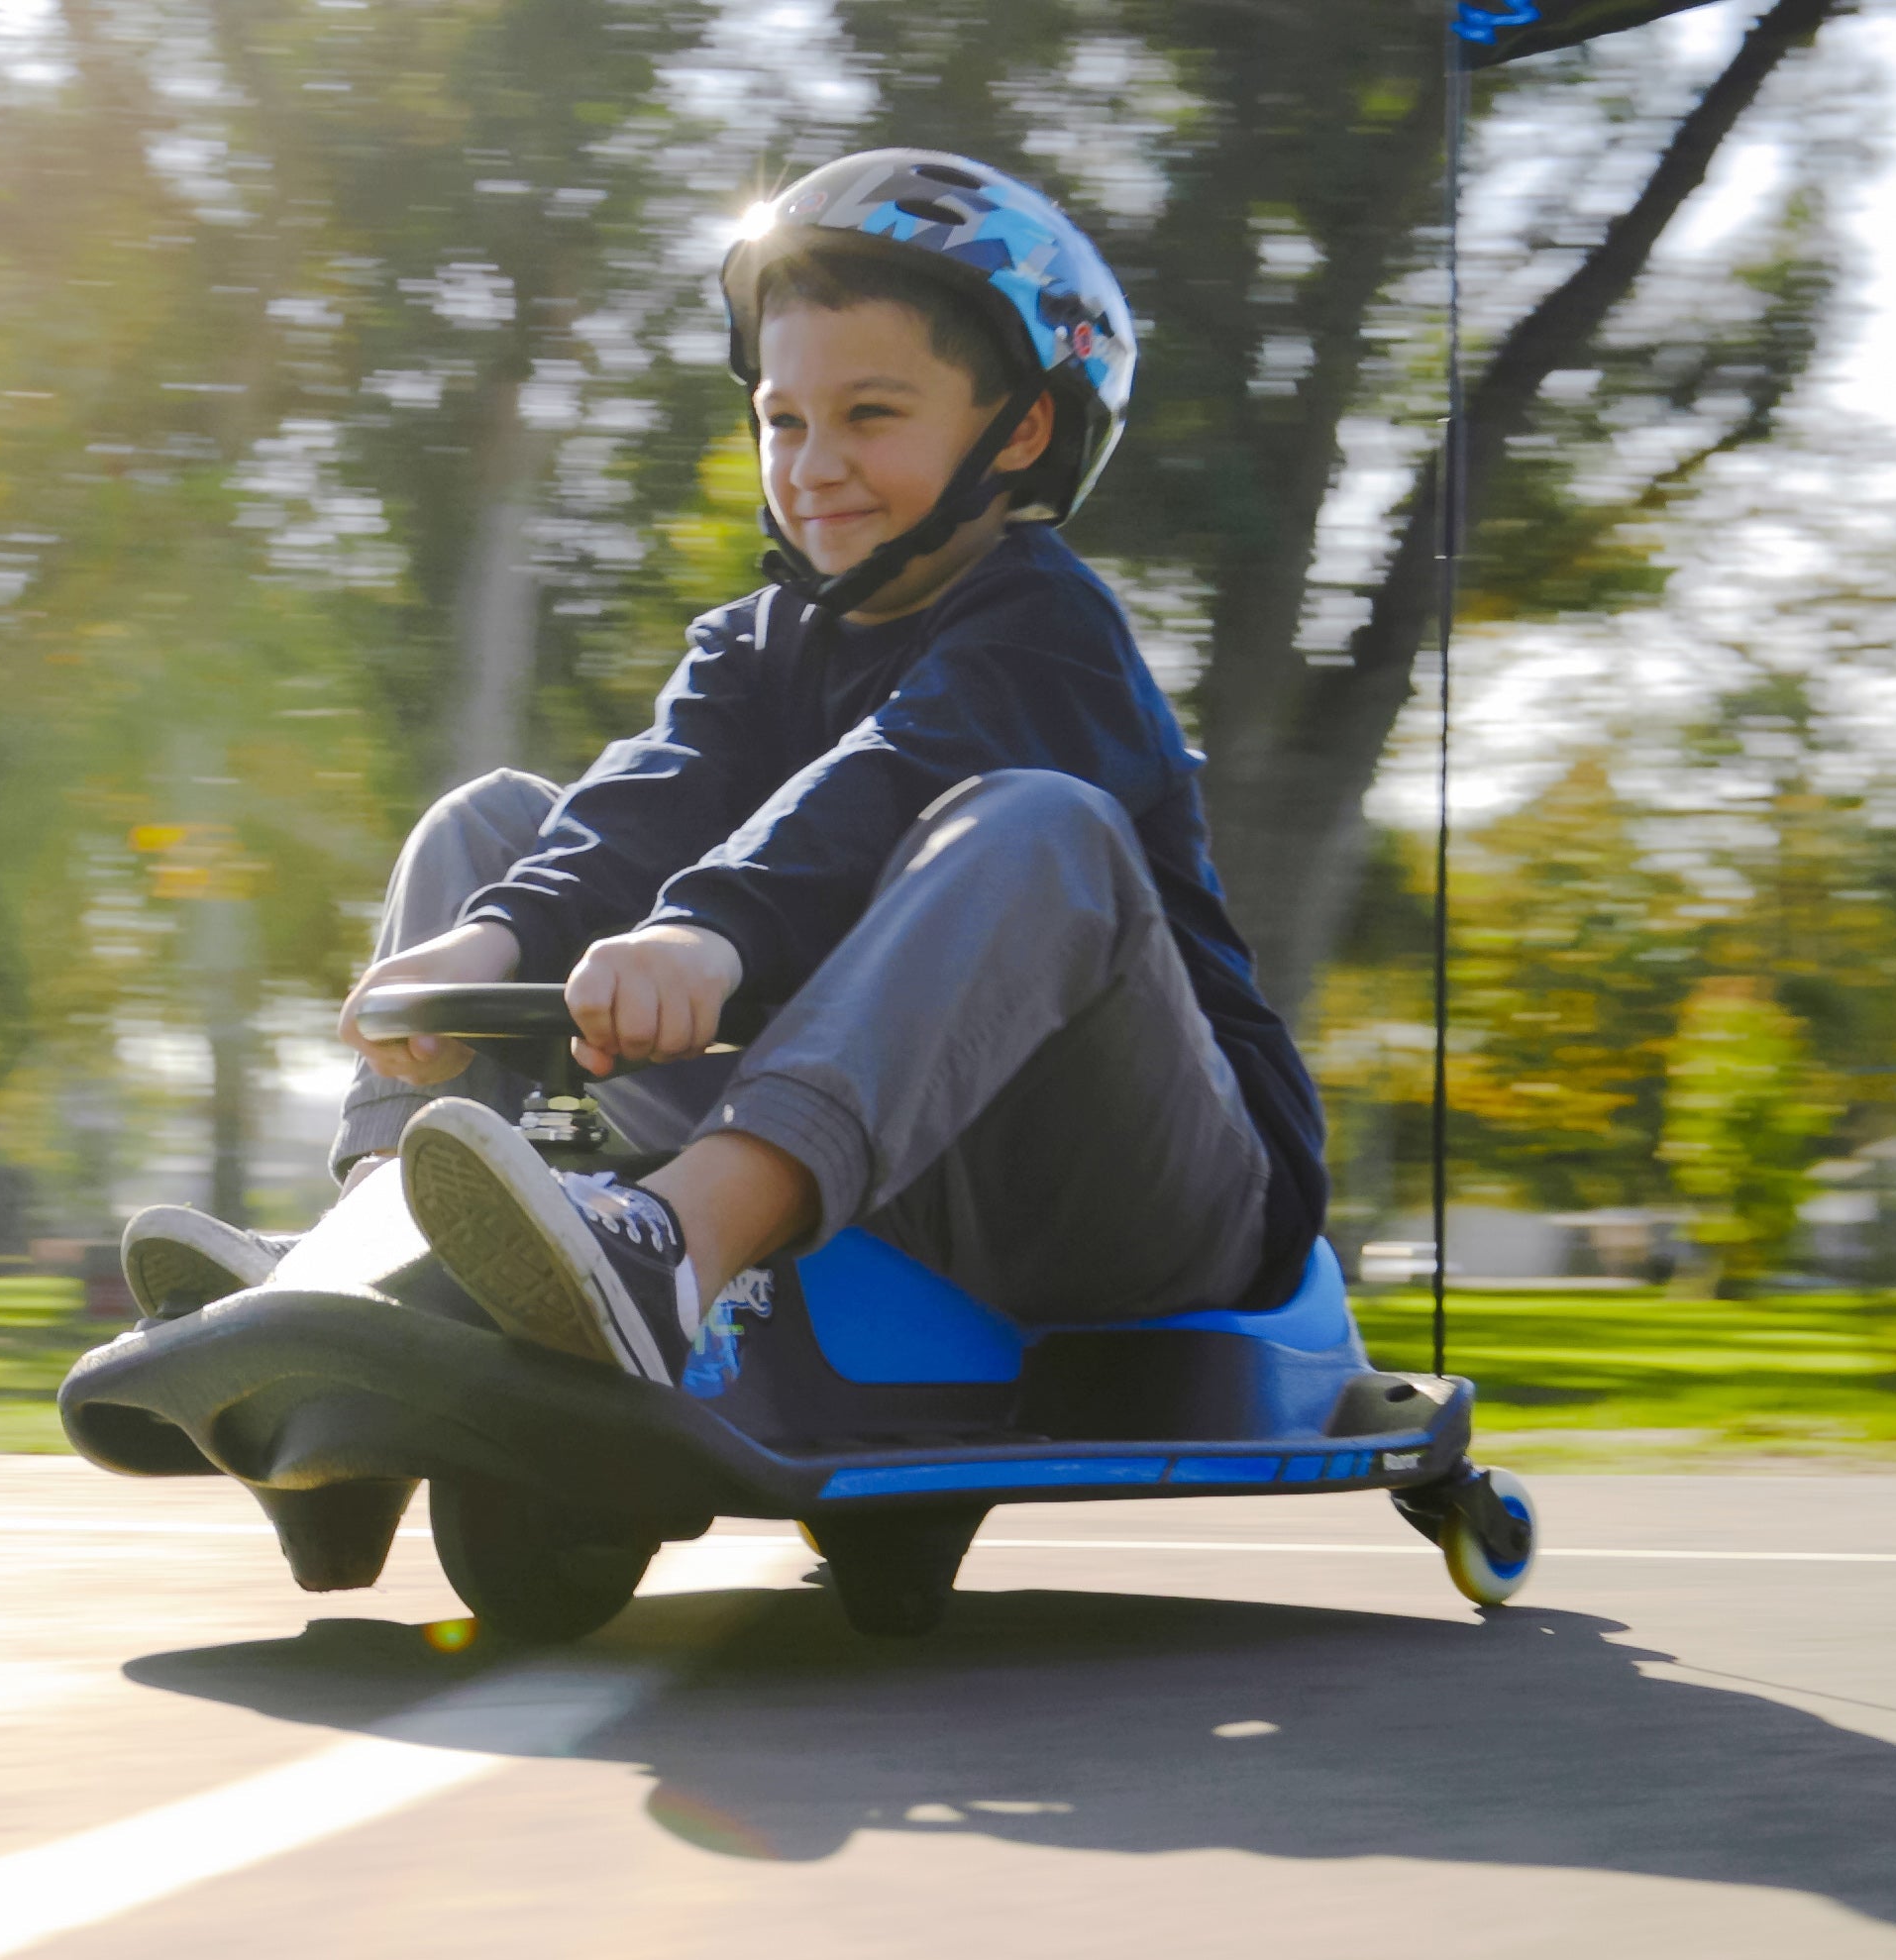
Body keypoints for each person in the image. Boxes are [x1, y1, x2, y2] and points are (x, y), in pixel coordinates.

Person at [123, 148, 1326, 1392]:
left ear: (1020, 428)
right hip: (888, 1165)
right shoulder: (754, 645)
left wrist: (708, 933)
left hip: (1133, 1191)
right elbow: (655, 792)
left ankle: (674, 1259)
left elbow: (891, 774)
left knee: (1034, 823)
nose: (813, 464)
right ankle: (379, 1262)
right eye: (782, 420)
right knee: (494, 824)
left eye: (871, 415)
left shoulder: (1052, 637)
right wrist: (491, 942)